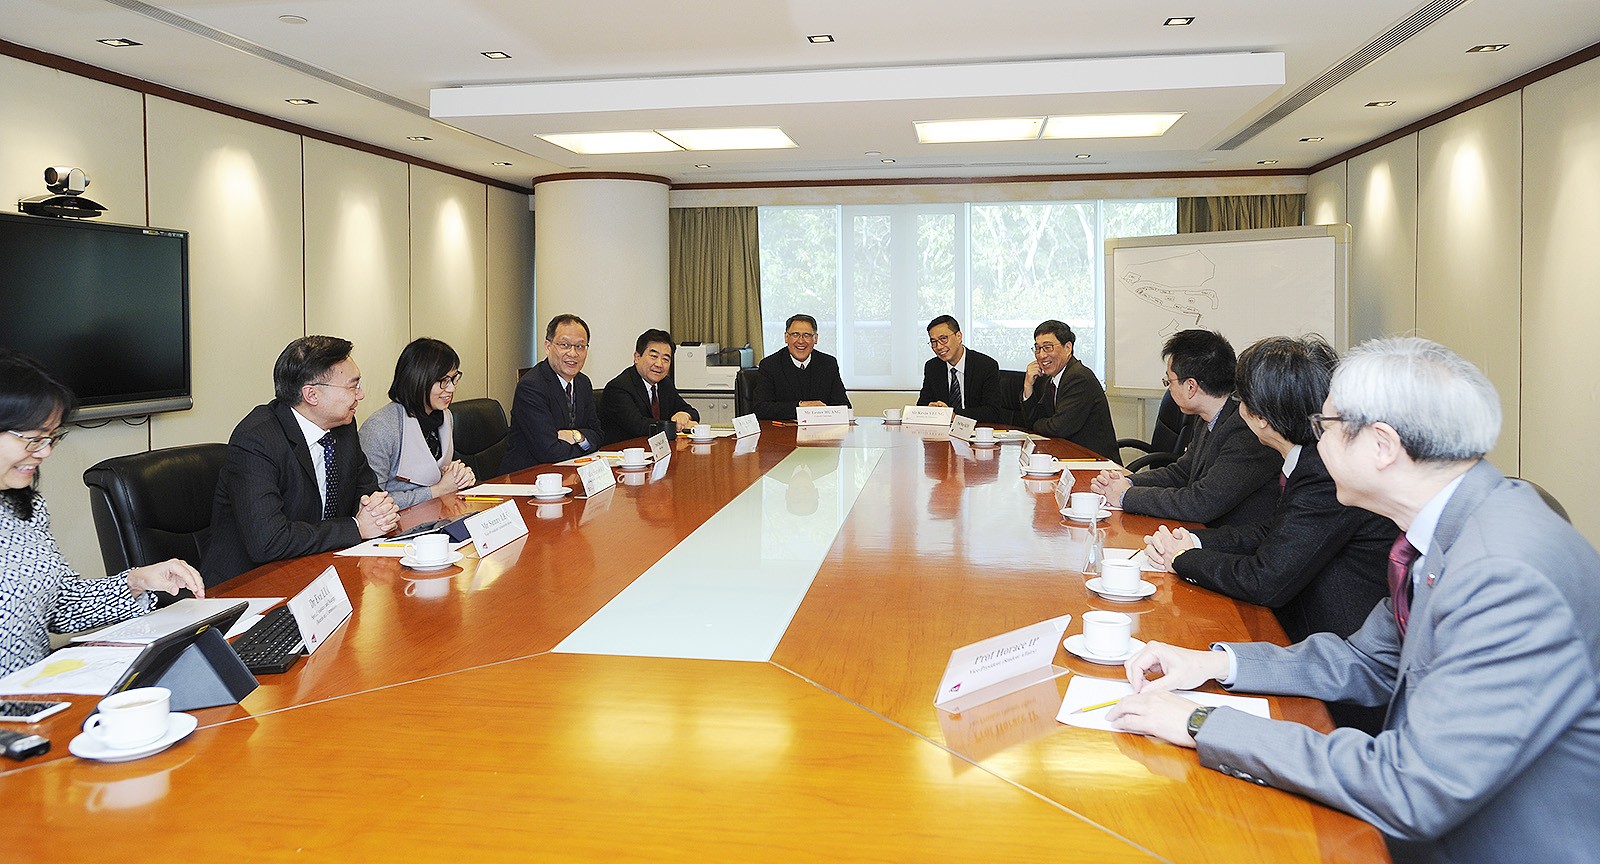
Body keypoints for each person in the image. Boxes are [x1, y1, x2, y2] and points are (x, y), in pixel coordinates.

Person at [1108, 337, 1600, 864]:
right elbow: (1365, 659)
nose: (1315, 443)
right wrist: (1211, 661)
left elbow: (1412, 786)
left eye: (1327, 428)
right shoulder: (1448, 530)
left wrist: (1198, 722)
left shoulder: (1504, 574)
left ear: (1382, 446)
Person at [1141, 337, 1396, 730]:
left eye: (1334, 423)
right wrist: (1194, 543)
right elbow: (1275, 531)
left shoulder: (1325, 472)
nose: (1328, 434)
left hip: (1345, 681)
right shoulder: (1308, 460)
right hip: (1328, 655)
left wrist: (1183, 559)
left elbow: (1267, 578)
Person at [0, 351, 206, 675]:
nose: (46, 452)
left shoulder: (26, 509)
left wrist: (137, 581)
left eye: (51, 438)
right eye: (34, 439)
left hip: (36, 704)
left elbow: (61, 606)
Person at [205, 336, 399, 586]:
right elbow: (269, 542)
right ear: (312, 394)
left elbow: (369, 495)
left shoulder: (343, 428)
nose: (360, 395)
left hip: (317, 571)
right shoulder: (256, 440)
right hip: (249, 586)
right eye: (352, 386)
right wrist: (356, 527)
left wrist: (379, 512)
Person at [1092, 329, 1277, 527]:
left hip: (1230, 542)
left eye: (1169, 381)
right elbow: (1182, 472)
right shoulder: (1209, 417)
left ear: (1191, 387)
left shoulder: (1244, 431)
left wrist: (1125, 496)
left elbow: (1202, 502)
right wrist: (1129, 481)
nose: (1169, 388)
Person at [358, 338, 477, 508]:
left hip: (438, 515)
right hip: (396, 526)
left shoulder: (445, 416)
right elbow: (370, 502)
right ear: (418, 379)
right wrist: (437, 491)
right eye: (444, 381)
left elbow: (437, 471)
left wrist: (459, 475)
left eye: (454, 378)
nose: (451, 388)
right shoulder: (380, 428)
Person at [503, 314, 604, 474]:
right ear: (548, 346)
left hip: (568, 473)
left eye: (580, 346)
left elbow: (598, 434)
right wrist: (586, 447)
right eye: (564, 345)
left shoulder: (583, 382)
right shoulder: (532, 386)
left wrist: (576, 436)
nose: (573, 353)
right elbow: (549, 450)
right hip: (529, 477)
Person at [1018, 320, 1117, 460]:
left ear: (1068, 348)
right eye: (1037, 348)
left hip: (1094, 463)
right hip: (1066, 456)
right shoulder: (1050, 379)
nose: (1041, 355)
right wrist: (1028, 386)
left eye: (1048, 347)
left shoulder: (1078, 378)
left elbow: (1058, 428)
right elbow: (1032, 420)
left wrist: (1036, 424)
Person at [600, 329, 700, 444]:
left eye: (665, 359)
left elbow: (692, 412)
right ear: (637, 357)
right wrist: (675, 425)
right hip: (624, 455)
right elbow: (639, 426)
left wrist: (684, 415)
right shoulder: (618, 388)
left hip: (655, 451)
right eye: (653, 356)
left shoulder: (665, 384)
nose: (659, 364)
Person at [752, 314, 851, 421]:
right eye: (795, 334)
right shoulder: (770, 365)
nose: (801, 341)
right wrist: (801, 406)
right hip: (784, 433)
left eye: (807, 335)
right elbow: (760, 408)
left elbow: (844, 407)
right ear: (786, 337)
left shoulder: (828, 364)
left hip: (821, 433)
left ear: (815, 339)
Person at [916, 315, 1005, 423]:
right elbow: (921, 406)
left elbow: (992, 412)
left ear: (959, 336)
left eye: (943, 339)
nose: (938, 347)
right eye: (933, 342)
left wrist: (953, 414)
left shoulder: (985, 366)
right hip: (943, 434)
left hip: (976, 433)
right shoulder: (933, 367)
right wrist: (930, 409)